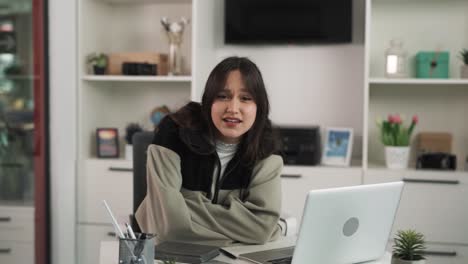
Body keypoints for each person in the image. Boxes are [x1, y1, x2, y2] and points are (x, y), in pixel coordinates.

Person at [135, 56, 283, 246]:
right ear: (208, 101)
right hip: (168, 254)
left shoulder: (266, 145)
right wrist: (248, 229)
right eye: (223, 96)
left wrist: (185, 203)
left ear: (259, 108)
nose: (233, 108)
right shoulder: (173, 130)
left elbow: (262, 227)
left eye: (245, 98)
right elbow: (170, 226)